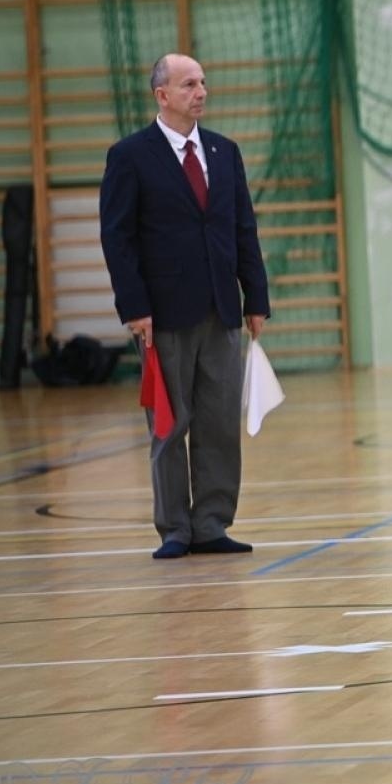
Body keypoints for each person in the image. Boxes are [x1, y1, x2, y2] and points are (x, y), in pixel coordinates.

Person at [100, 53, 270, 559]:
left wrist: (254, 297)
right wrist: (134, 306)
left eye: (203, 82)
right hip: (162, 314)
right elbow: (118, 237)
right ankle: (175, 528)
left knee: (218, 422)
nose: (200, 91)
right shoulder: (130, 156)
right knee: (170, 424)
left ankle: (212, 523)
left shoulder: (223, 151)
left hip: (221, 308)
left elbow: (243, 228)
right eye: (189, 84)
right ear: (163, 95)